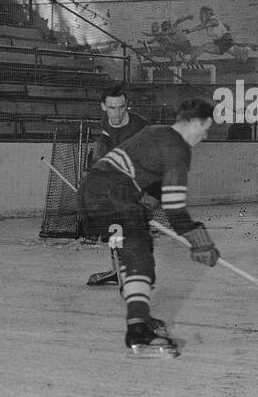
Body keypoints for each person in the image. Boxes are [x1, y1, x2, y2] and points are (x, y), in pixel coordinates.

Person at [78, 98, 219, 358]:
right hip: (113, 195)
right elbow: (175, 209)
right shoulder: (178, 149)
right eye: (205, 127)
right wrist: (200, 241)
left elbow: (152, 184)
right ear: (196, 122)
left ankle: (139, 319)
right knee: (138, 259)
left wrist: (142, 209)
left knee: (138, 259)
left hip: (95, 193)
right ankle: (138, 330)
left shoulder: (156, 132)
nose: (205, 134)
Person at [84, 84, 151, 288]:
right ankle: (118, 271)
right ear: (103, 107)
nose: (117, 113)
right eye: (112, 108)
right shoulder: (106, 123)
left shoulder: (141, 127)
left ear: (127, 106)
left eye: (121, 107)